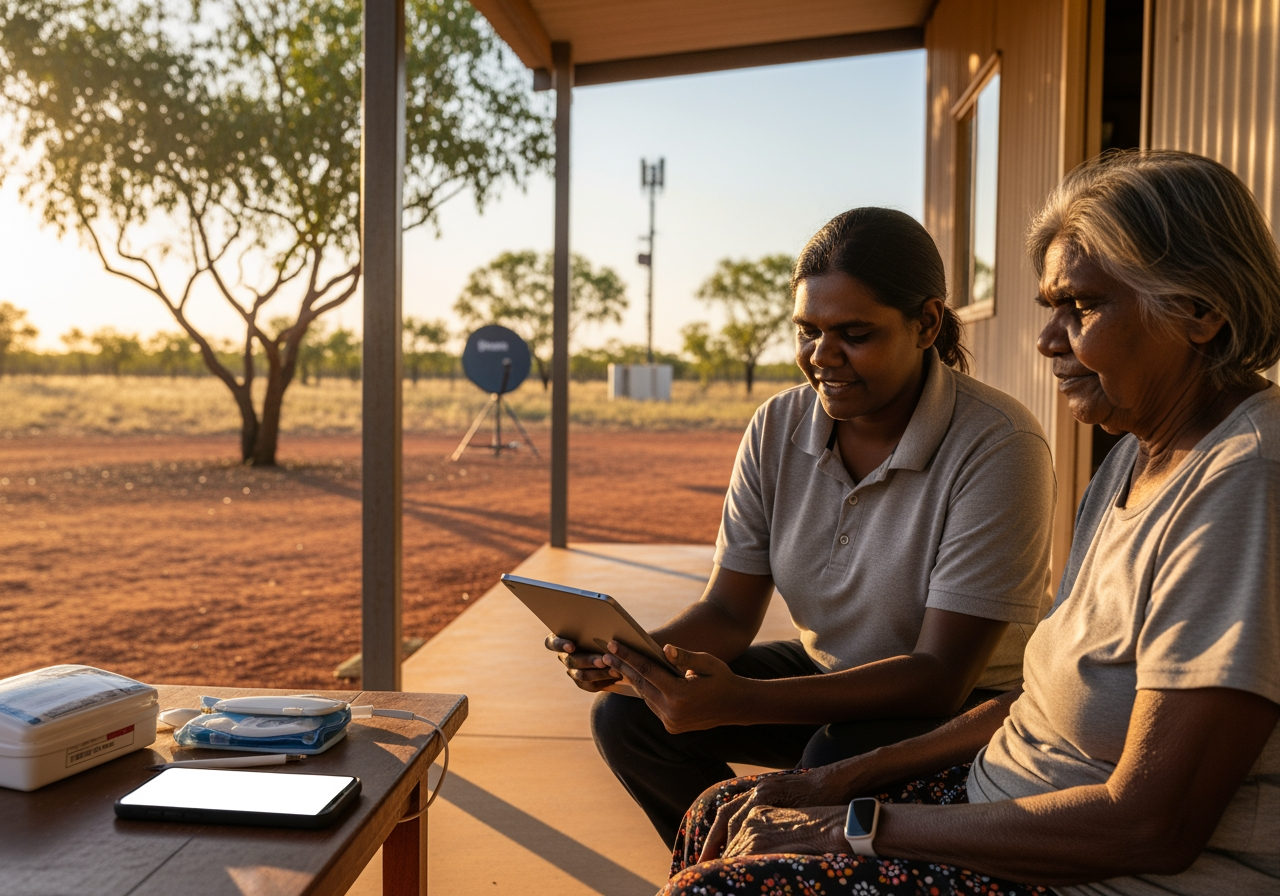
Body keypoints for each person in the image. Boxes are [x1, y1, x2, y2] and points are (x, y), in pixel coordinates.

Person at [654, 150, 1280, 896]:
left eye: (1080, 307)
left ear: (1201, 312)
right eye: (1052, 306)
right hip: (1001, 794)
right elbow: (1040, 700)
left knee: (726, 884)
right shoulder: (1133, 457)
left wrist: (853, 824)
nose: (1048, 339)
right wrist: (833, 783)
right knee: (722, 812)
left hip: (1094, 865)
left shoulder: (1245, 483)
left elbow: (1151, 824)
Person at [547, 207, 1057, 846]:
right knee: (629, 716)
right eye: (807, 331)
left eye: (854, 333)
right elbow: (731, 613)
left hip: (962, 708)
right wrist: (638, 658)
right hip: (828, 674)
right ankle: (725, 872)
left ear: (926, 324)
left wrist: (739, 702)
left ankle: (769, 874)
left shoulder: (998, 444)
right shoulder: (778, 427)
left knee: (832, 756)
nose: (823, 357)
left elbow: (939, 674)